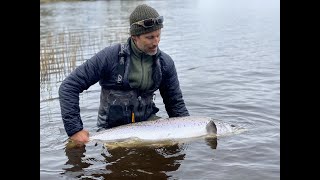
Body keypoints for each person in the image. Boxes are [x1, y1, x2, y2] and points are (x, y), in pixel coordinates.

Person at [59, 4, 189, 144]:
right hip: (112, 131)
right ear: (134, 37)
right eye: (150, 37)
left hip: (149, 126)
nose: (156, 42)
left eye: (158, 35)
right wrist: (75, 130)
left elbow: (175, 104)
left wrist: (189, 131)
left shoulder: (165, 63)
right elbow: (68, 87)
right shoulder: (110, 57)